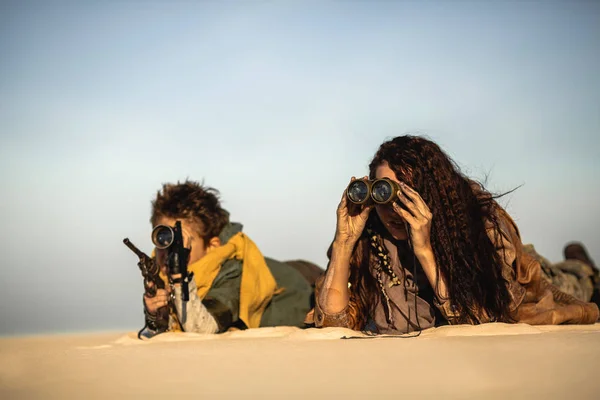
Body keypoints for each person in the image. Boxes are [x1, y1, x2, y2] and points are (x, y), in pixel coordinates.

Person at [306, 135, 598, 334]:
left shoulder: (477, 222)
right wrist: (344, 242)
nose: (394, 210)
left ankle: (583, 267)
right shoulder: (369, 236)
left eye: (408, 195)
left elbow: (482, 322)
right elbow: (333, 327)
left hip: (526, 280)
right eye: (384, 193)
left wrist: (424, 250)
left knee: (576, 286)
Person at [139, 179, 321, 338]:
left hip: (304, 282)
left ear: (213, 245)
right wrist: (155, 316)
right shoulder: (161, 271)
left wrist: (179, 280)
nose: (171, 252)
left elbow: (201, 330)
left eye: (182, 243)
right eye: (164, 239)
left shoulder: (232, 272)